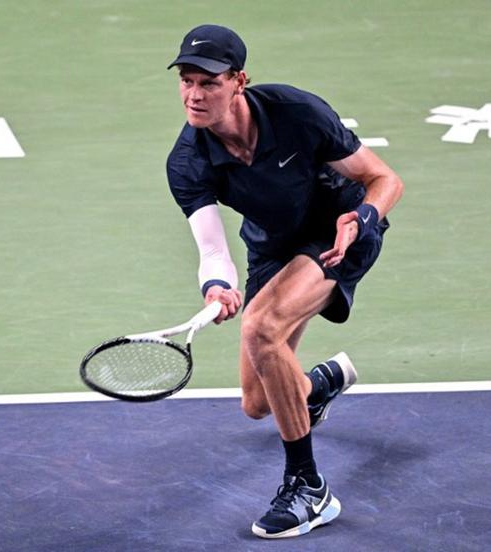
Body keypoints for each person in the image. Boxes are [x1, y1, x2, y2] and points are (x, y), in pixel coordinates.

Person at [165, 24, 403, 539]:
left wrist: (361, 218)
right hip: (272, 246)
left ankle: (309, 487)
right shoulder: (188, 162)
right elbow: (212, 250)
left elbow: (385, 179)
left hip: (337, 231)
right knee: (257, 403)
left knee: (261, 327)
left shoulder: (296, 113)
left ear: (239, 81)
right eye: (186, 81)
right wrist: (216, 286)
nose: (195, 94)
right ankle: (314, 388)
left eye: (208, 82)